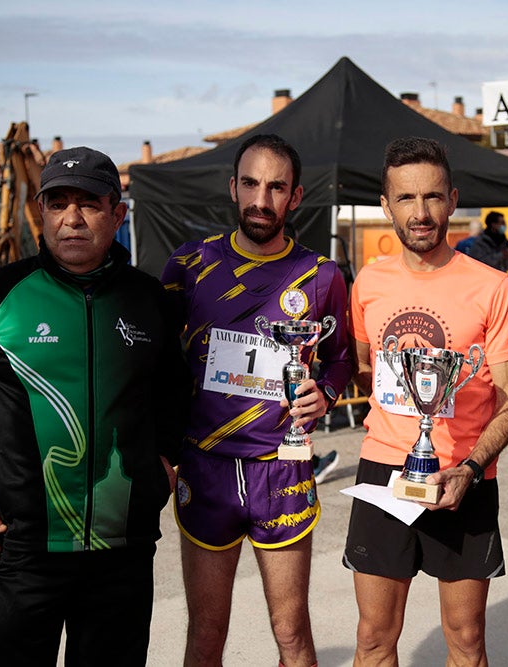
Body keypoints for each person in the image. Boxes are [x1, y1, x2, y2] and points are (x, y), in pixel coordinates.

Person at [0, 146, 190, 665]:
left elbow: (175, 389)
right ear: (41, 211)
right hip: (25, 549)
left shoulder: (149, 301)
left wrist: (166, 458)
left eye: (89, 204)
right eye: (58, 203)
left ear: (117, 213)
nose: (72, 218)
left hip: (122, 553)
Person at [161, 134, 352, 667]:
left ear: (296, 197)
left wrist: (325, 395)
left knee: (291, 632)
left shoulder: (321, 274)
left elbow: (341, 360)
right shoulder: (190, 265)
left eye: (276, 187)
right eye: (250, 183)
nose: (261, 200)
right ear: (232, 187)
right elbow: (155, 359)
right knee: (205, 633)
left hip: (282, 470)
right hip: (207, 467)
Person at [345, 136, 508, 665]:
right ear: (386, 206)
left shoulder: (493, 286)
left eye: (431, 197)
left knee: (466, 640)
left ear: (452, 198)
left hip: (463, 475)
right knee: (374, 637)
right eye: (405, 198)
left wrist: (470, 468)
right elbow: (364, 370)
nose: (419, 213)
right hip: (384, 470)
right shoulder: (369, 282)